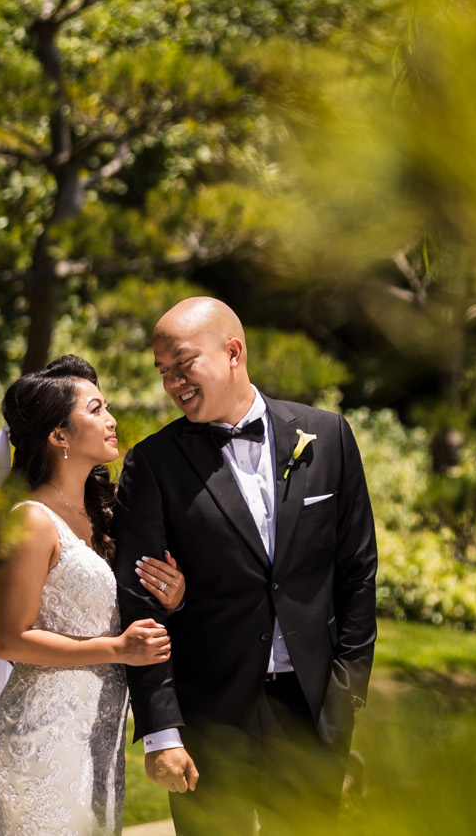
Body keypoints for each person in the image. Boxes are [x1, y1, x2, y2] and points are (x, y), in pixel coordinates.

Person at [114, 297, 379, 835]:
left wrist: (345, 695)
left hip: (308, 713)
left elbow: (357, 572)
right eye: (164, 373)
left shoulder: (327, 438)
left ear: (233, 351)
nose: (173, 384)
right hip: (209, 717)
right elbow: (141, 605)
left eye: (183, 365)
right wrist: (163, 731)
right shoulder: (153, 463)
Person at [0, 354, 187, 836]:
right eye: (95, 410)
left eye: (106, 406)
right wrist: (115, 650)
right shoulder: (30, 521)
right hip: (43, 729)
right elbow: (10, 639)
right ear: (59, 435)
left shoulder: (104, 515)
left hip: (100, 728)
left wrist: (171, 597)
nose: (111, 420)